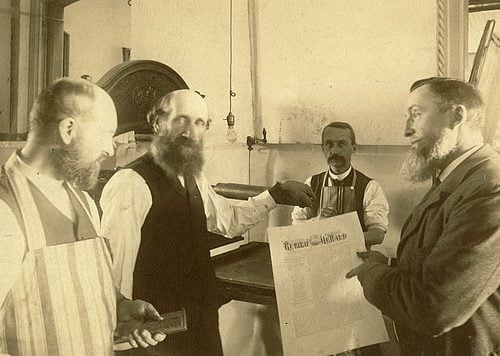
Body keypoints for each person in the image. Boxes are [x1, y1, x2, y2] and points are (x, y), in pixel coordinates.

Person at [100, 89, 316, 355]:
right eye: (181, 119)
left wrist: (276, 194)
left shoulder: (193, 177)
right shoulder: (130, 182)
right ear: (157, 123)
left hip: (200, 321)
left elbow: (228, 221)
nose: (190, 131)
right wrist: (123, 330)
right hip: (155, 333)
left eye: (199, 122)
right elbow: (114, 269)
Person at [0, 78, 167, 355]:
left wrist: (119, 307)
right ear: (68, 130)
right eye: (105, 133)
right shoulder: (5, 211)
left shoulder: (83, 200)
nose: (110, 148)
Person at [347, 77, 500, 355]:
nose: (407, 129)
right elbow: (441, 260)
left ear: (457, 116)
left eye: (416, 115)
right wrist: (390, 264)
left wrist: (372, 274)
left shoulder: (490, 188)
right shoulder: (453, 178)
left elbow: (434, 306)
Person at [292, 121, 389, 248]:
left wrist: (341, 238)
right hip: (318, 258)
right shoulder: (311, 183)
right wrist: (317, 222)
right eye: (329, 144)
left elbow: (377, 234)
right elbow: (296, 226)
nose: (334, 150)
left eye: (341, 144)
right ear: (322, 149)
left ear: (354, 147)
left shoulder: (370, 187)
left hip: (356, 261)